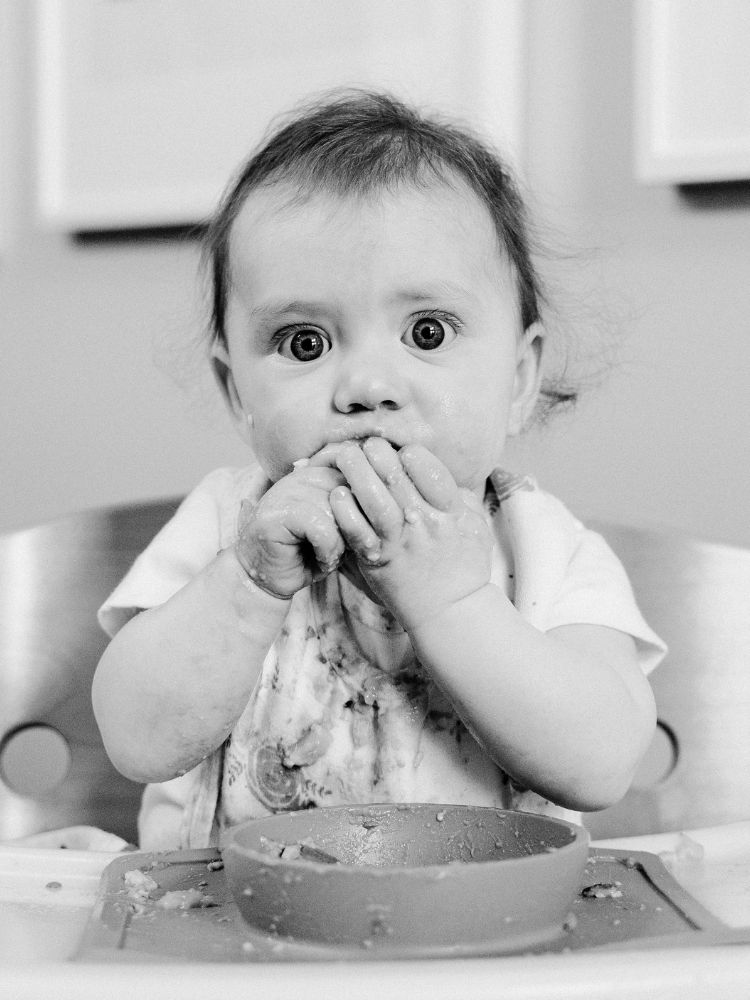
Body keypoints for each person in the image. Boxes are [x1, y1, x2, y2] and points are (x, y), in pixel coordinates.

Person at [92, 90, 665, 851]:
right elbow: (137, 740)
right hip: (233, 939)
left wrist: (453, 602)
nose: (367, 385)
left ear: (519, 377)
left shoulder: (544, 551)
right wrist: (249, 585)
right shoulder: (228, 531)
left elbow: (599, 764)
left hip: (479, 942)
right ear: (238, 392)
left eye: (426, 331)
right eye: (303, 342)